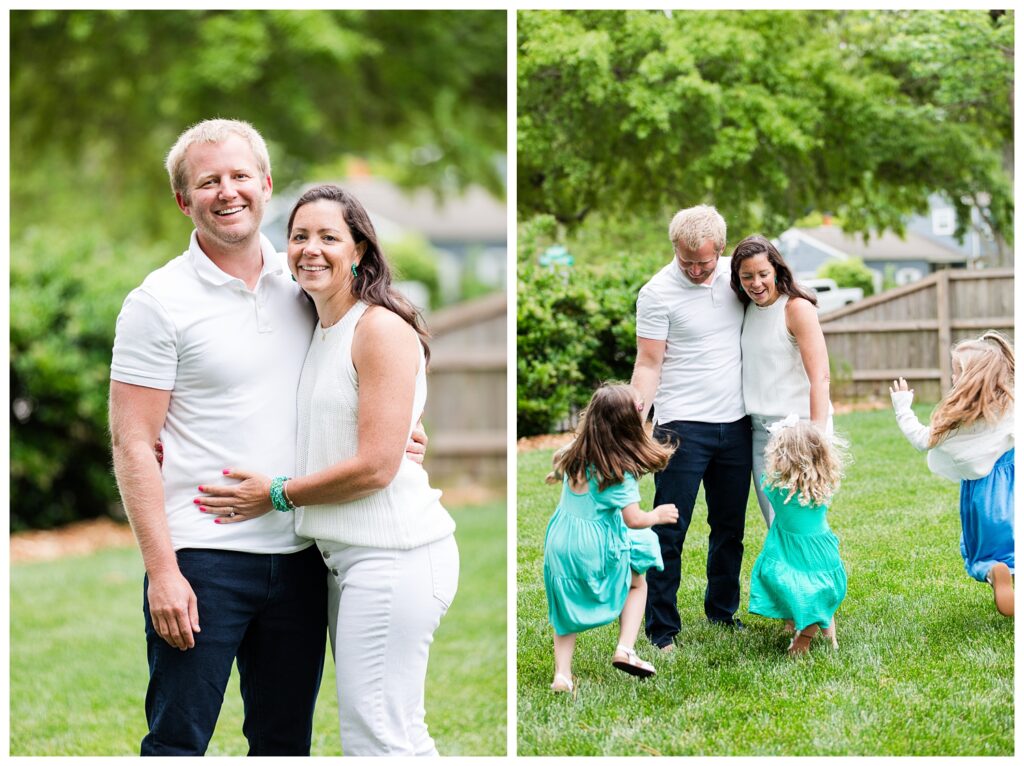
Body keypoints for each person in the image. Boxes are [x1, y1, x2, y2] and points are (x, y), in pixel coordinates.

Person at [109, 120, 425, 756]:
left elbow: (362, 373)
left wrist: (402, 432)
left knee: (285, 745)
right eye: (208, 182)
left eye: (240, 176)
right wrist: (162, 573)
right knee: (177, 740)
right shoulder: (156, 303)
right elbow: (132, 444)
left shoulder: (307, 282)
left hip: (305, 553)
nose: (227, 192)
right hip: (203, 559)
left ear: (266, 185)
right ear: (183, 200)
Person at [195, 184, 459, 755]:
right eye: (298, 237)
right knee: (400, 733)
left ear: (360, 249)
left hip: (395, 556)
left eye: (328, 237)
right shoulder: (318, 325)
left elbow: (376, 467)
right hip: (348, 559)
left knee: (375, 738)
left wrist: (278, 494)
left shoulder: (379, 327)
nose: (310, 249)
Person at [631, 204, 752, 652]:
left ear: (721, 248)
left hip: (736, 424)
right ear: (674, 250)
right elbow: (648, 364)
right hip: (680, 427)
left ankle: (722, 612)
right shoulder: (657, 293)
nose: (698, 270)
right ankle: (662, 629)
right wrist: (634, 422)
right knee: (669, 529)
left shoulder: (736, 276)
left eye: (705, 261)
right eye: (688, 262)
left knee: (729, 527)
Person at [543, 383, 679, 693]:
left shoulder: (574, 452)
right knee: (636, 581)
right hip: (594, 545)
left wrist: (556, 475)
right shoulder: (618, 471)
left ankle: (562, 674)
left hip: (560, 541)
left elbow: (557, 460)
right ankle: (625, 648)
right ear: (629, 427)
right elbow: (634, 520)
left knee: (563, 606)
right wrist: (657, 516)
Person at [890, 331, 1014, 617]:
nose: (954, 378)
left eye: (958, 372)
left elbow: (922, 439)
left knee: (987, 553)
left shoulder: (958, 420)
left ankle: (996, 574)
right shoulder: (1011, 402)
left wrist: (902, 408)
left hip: (984, 495)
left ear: (973, 376)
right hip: (1014, 481)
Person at [730, 234, 832, 527]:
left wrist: (817, 437)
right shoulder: (746, 308)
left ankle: (818, 573)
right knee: (774, 523)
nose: (756, 283)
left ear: (776, 269)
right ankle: (784, 575)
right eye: (747, 276)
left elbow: (821, 377)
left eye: (763, 274)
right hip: (759, 430)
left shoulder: (796, 308)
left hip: (799, 430)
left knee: (801, 523)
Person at [748, 418, 848, 655]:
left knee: (801, 591)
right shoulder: (824, 486)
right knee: (819, 592)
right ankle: (829, 637)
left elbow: (766, 479)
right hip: (822, 552)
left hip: (791, 551)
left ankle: (802, 642)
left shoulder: (774, 488)